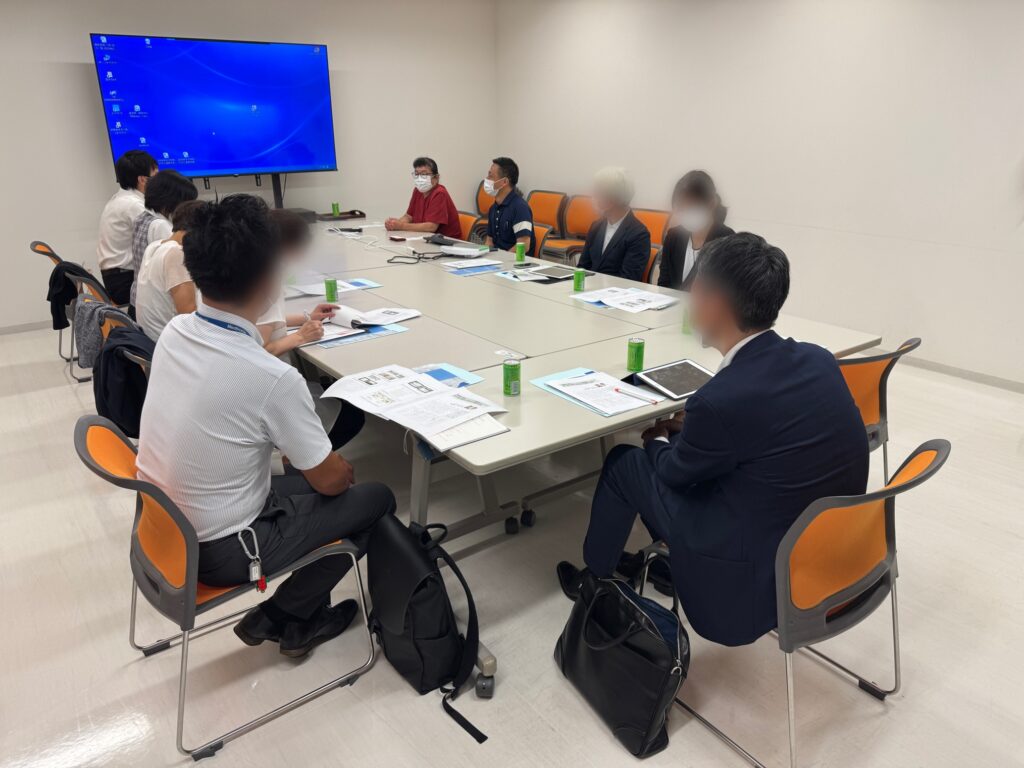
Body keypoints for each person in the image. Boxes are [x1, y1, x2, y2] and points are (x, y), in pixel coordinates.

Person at [557, 233, 869, 647]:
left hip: (745, 586)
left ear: (716, 302)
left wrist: (657, 436)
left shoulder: (719, 400)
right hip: (830, 558)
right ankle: (669, 563)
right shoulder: (820, 360)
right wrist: (695, 430)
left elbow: (673, 473)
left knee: (625, 463)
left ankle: (594, 581)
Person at [136, 194, 396, 658]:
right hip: (221, 547)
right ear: (270, 277)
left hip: (164, 528)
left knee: (312, 485)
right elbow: (332, 480)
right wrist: (337, 471)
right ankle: (280, 616)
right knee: (374, 499)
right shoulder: (271, 377)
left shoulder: (178, 332)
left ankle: (299, 617)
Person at [257, 209, 365, 450]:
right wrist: (300, 336)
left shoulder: (260, 270)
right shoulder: (266, 280)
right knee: (353, 416)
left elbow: (267, 320)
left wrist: (307, 317)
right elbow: (260, 350)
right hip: (269, 390)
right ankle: (302, 459)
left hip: (267, 383)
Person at [134, 200, 203, 341]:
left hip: (150, 338)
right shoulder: (176, 253)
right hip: (169, 341)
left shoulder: (154, 246)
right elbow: (188, 314)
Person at [129, 170, 199, 310]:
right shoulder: (162, 227)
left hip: (137, 298)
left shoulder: (143, 217)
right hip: (158, 303)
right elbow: (176, 268)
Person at [96, 150, 158, 304]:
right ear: (143, 180)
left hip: (116, 278)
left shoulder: (120, 198)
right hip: (125, 283)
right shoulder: (134, 206)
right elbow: (160, 240)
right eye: (157, 176)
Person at [657, 170, 733, 291]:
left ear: (711, 203)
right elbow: (663, 284)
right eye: (681, 207)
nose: (685, 212)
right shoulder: (673, 237)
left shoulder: (726, 241)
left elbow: (724, 291)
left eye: (691, 207)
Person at [576, 167, 651, 281]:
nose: (592, 198)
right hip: (590, 288)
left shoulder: (639, 234)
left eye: (597, 194)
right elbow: (583, 267)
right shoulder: (596, 226)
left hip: (614, 291)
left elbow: (628, 279)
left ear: (611, 200)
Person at [384, 157, 462, 238]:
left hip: (447, 241)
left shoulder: (439, 193)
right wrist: (394, 224)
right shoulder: (417, 191)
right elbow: (409, 216)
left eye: (424, 174)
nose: (419, 178)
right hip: (425, 238)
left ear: (436, 177)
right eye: (417, 174)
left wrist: (401, 226)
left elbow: (431, 227)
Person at [483, 157, 534, 253]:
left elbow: (524, 245)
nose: (486, 179)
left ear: (504, 182)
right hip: (497, 259)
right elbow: (489, 241)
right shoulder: (493, 208)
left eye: (490, 176)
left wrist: (502, 259)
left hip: (516, 261)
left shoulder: (520, 208)